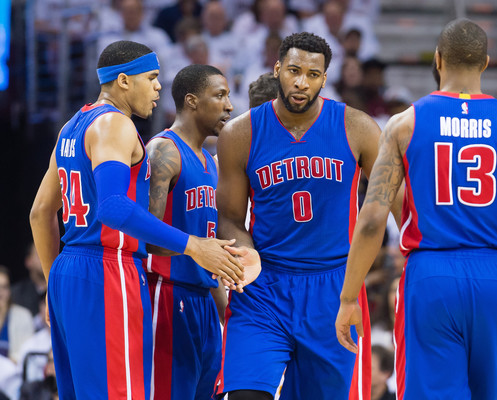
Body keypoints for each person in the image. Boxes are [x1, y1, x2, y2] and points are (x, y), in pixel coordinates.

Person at [336, 19, 497, 399]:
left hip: (430, 276)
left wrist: (348, 299)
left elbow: (372, 218)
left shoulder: (404, 124)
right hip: (496, 276)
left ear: (439, 60)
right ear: (487, 63)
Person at [29, 40, 249, 399]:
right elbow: (113, 208)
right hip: (109, 268)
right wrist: (193, 245)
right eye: (151, 77)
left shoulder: (72, 125)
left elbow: (40, 212)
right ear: (123, 81)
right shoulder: (115, 124)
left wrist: (56, 281)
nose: (159, 87)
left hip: (69, 271)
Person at [216, 32, 385, 399]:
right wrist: (245, 252)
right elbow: (229, 217)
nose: (300, 82)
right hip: (264, 288)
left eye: (312, 74)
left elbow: (397, 200)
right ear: (277, 69)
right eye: (293, 70)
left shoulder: (358, 127)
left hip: (333, 287)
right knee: (244, 394)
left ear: (325, 79)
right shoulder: (239, 133)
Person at [144, 64, 260, 399]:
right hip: (166, 293)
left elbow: (209, 256)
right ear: (192, 101)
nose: (229, 105)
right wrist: (196, 248)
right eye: (220, 95)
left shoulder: (210, 162)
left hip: (205, 300)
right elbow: (147, 237)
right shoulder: (164, 150)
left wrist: (229, 313)